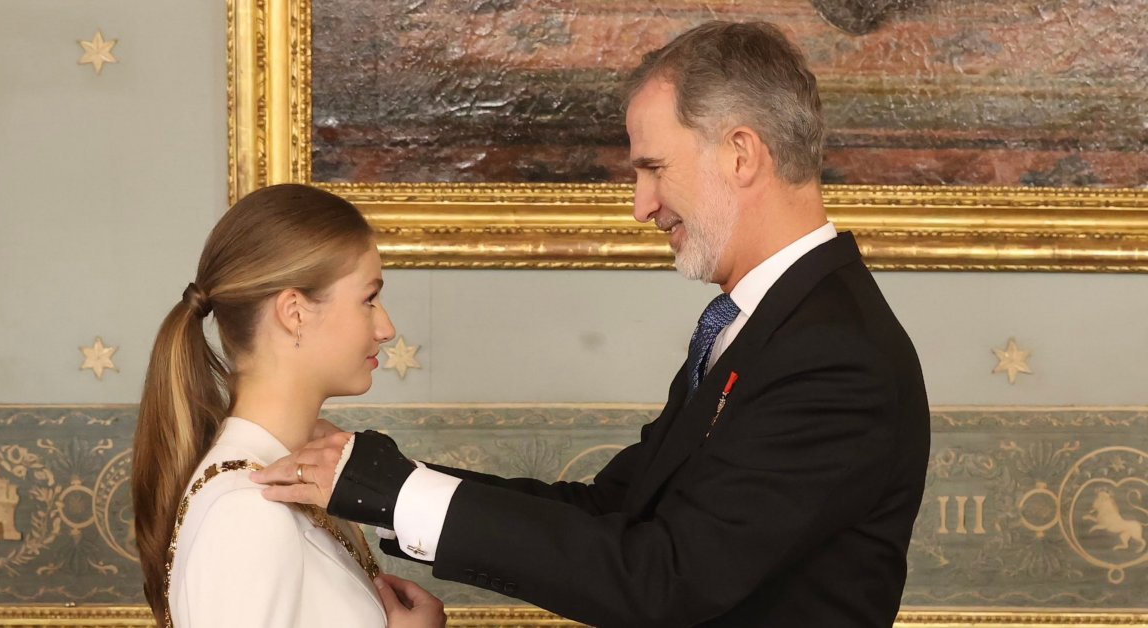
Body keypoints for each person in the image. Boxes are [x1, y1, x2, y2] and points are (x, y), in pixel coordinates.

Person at [254, 21, 930, 627]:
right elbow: (613, 509)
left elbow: (667, 581)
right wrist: (389, 479)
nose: (642, 206)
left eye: (654, 168)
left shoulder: (835, 355)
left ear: (741, 154)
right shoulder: (764, 325)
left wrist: (398, 493)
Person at [131, 184, 447, 628]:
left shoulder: (284, 480)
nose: (386, 327)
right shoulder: (248, 510)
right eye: (369, 298)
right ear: (294, 311)